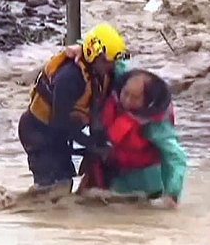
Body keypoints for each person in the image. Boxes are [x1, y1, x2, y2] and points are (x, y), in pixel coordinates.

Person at [18, 23, 129, 193]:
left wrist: (99, 143)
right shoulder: (70, 77)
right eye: (108, 62)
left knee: (64, 184)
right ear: (94, 55)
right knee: (54, 188)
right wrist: (92, 146)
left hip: (58, 134)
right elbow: (60, 123)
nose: (112, 66)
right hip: (38, 133)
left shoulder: (100, 73)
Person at [80, 69, 187, 209]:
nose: (127, 101)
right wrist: (78, 49)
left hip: (144, 188)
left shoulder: (155, 126)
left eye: (135, 98)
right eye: (125, 93)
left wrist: (172, 193)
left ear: (147, 101)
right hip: (111, 173)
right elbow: (117, 57)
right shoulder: (120, 82)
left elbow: (176, 157)